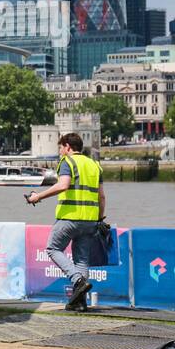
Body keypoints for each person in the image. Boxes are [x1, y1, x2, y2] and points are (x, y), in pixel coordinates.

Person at [26, 132, 105, 311]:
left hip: (70, 217)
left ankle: (77, 280)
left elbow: (63, 185)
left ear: (68, 147)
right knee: (82, 260)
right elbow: (102, 196)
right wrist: (99, 218)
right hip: (90, 220)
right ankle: (80, 303)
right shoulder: (95, 165)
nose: (60, 151)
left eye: (61, 148)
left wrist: (37, 196)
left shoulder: (67, 162)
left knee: (52, 248)